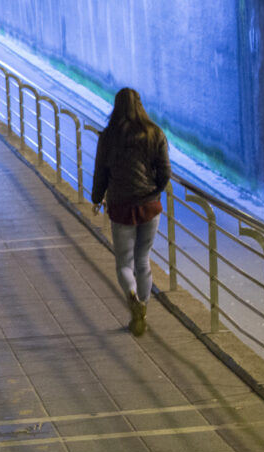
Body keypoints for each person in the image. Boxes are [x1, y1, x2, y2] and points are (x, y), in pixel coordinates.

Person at [91, 88, 171, 336]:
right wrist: (155, 190)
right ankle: (143, 308)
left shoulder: (108, 136)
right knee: (143, 260)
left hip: (121, 206)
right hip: (149, 205)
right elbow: (165, 171)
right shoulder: (154, 133)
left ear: (116, 107)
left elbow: (101, 172)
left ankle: (132, 297)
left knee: (124, 263)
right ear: (140, 105)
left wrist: (96, 198)